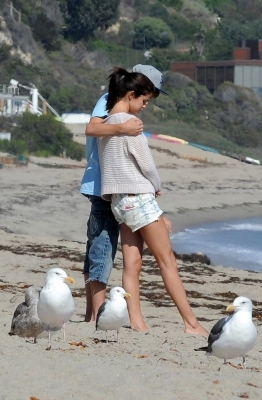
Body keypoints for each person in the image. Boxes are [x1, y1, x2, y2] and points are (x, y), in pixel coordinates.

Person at [97, 67, 209, 336]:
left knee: (132, 265)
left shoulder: (105, 124)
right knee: (167, 261)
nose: (145, 106)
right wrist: (156, 187)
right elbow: (147, 166)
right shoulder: (130, 125)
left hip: (119, 202)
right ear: (131, 94)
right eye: (144, 101)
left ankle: (137, 323)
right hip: (139, 198)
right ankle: (191, 324)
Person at [80, 65, 170, 323]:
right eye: (147, 95)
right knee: (102, 247)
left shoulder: (121, 106)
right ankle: (97, 314)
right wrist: (124, 129)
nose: (147, 103)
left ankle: (91, 314)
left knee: (97, 246)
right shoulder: (110, 101)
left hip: (107, 186)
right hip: (104, 186)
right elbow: (92, 128)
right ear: (135, 88)